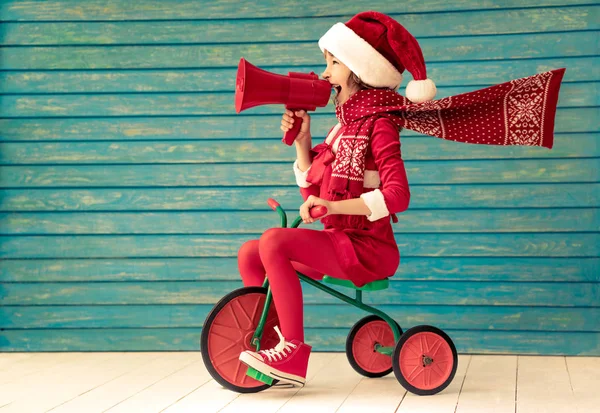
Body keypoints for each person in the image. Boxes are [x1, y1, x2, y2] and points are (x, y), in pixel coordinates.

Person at [237, 11, 565, 387]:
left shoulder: (379, 126)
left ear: (361, 71)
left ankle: (292, 350)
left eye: (334, 63)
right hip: (336, 239)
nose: (325, 73)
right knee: (251, 252)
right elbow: (315, 198)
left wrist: (334, 207)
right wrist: (302, 145)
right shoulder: (341, 130)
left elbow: (397, 195)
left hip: (366, 248)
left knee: (274, 241)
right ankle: (271, 341)